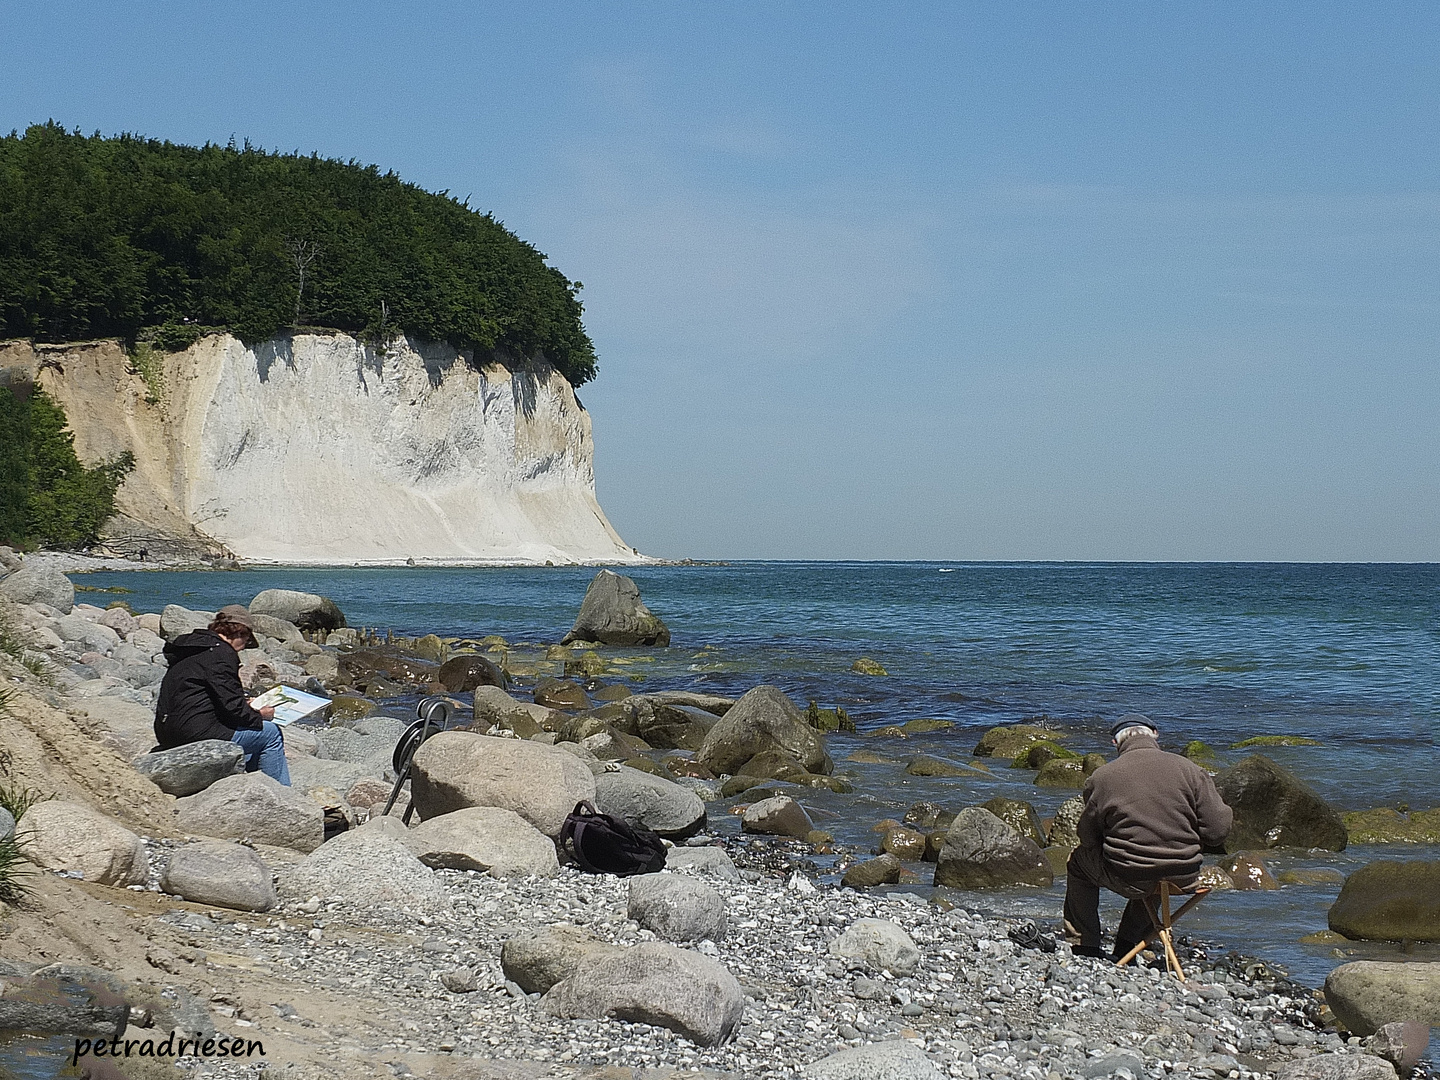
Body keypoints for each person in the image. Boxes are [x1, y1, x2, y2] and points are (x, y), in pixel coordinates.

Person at [1063, 714, 1231, 960]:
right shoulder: (1191, 770)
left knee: (1078, 862)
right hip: (1183, 878)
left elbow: (1087, 837)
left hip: (1128, 877)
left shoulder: (1102, 777)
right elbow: (1217, 832)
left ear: (1115, 742)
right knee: (1157, 869)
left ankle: (1085, 945)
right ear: (1155, 734)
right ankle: (1129, 944)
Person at [154, 604, 290, 785]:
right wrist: (260, 715)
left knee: (251, 734)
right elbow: (233, 708)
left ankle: (253, 784)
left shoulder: (194, 648)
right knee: (270, 734)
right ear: (240, 633)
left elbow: (209, 695)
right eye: (246, 640)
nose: (242, 649)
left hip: (166, 730)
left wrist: (244, 705)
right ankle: (281, 794)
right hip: (194, 732)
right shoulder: (221, 654)